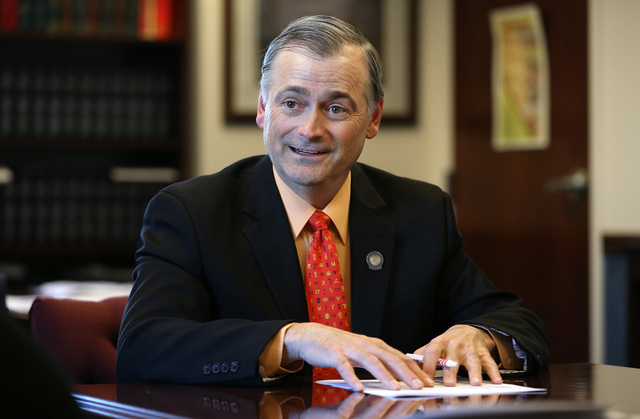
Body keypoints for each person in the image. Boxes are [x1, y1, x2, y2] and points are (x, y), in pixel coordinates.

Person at [116, 15, 550, 391]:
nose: (310, 129)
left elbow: (515, 320)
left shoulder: (421, 212)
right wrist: (293, 339)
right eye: (292, 103)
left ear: (373, 118)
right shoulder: (191, 213)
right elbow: (143, 346)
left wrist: (479, 334)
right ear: (263, 109)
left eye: (336, 109)